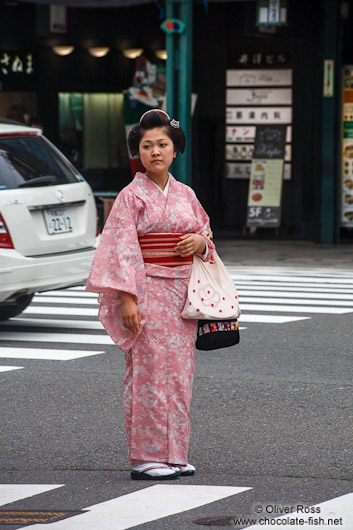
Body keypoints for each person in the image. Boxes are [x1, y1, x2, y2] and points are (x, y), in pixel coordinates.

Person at [86, 109, 215, 480]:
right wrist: (127, 298)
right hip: (146, 291)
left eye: (163, 144)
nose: (155, 151)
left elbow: (207, 236)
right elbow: (120, 248)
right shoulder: (131, 196)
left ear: (176, 151)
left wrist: (200, 243)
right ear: (138, 153)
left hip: (182, 295)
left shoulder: (186, 195)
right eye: (147, 146)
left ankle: (175, 454)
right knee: (148, 374)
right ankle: (146, 457)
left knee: (179, 375)